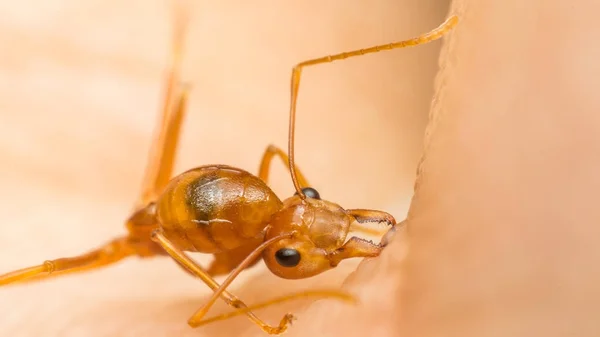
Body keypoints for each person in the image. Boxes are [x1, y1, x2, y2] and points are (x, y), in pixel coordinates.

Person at [1, 1, 598, 336]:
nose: (339, 231)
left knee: (274, 100)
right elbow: (201, 312)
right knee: (54, 269)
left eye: (305, 199)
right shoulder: (188, 244)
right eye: (290, 254)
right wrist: (256, 319)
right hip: (174, 224)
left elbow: (279, 162)